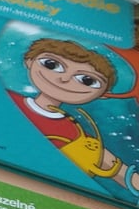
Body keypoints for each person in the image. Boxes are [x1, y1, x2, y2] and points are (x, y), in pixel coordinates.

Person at [9, 37, 139, 195]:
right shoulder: (9, 100)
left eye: (87, 80)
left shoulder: (73, 130)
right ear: (29, 61)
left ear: (104, 94)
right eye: (51, 65)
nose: (64, 79)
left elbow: (109, 164)